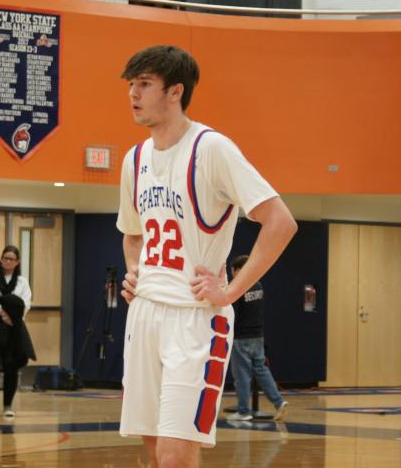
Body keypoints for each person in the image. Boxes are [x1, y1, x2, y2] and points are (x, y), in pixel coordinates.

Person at [116, 45, 297, 468]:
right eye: (131, 85)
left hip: (195, 317)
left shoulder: (211, 149)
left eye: (144, 84)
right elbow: (132, 234)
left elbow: (281, 222)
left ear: (175, 91)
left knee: (177, 456)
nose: (133, 94)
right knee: (154, 451)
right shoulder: (134, 159)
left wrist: (231, 290)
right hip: (144, 315)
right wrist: (134, 273)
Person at [226, 254, 288, 422]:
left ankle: (244, 411)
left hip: (241, 337)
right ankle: (279, 402)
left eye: (233, 270)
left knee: (242, 376)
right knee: (261, 371)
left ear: (238, 270)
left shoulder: (238, 288)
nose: (231, 273)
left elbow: (234, 315)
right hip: (257, 336)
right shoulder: (258, 285)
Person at [0, 245, 35, 418]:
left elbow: (25, 303)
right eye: (5, 258)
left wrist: (13, 318)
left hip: (12, 330)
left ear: (17, 262)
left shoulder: (22, 282)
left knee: (11, 367)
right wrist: (3, 313)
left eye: (11, 259)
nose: (7, 261)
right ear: (1, 259)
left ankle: (8, 404)